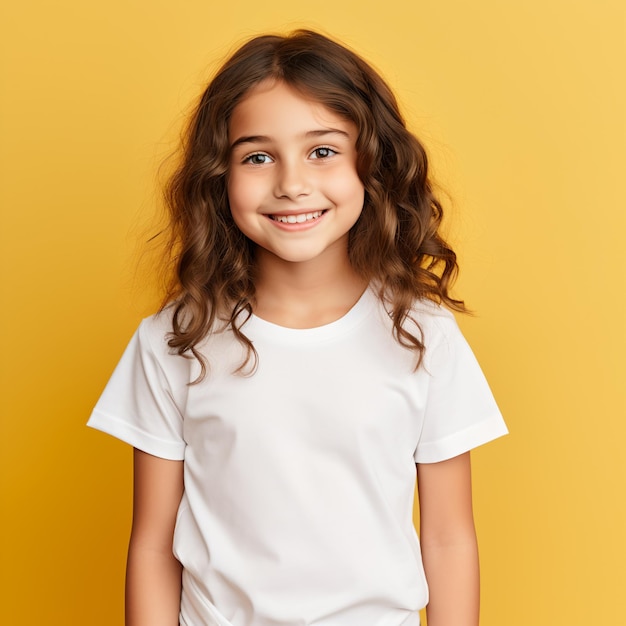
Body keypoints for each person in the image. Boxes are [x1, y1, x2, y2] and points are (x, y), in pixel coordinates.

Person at [88, 29, 507, 626]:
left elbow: (448, 540)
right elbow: (153, 546)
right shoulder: (174, 341)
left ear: (373, 164)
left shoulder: (423, 337)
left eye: (323, 151)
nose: (291, 183)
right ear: (219, 176)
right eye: (257, 156)